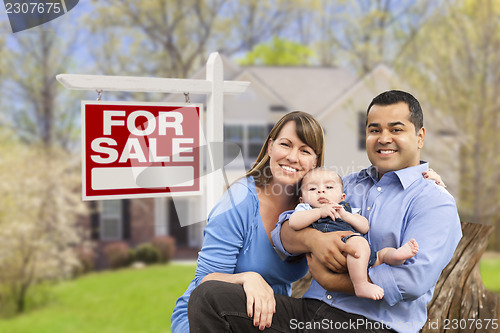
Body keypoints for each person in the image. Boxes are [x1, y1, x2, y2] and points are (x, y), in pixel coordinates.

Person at [187, 90, 462, 333]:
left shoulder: (434, 201)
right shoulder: (344, 185)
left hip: (370, 325)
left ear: (420, 136)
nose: (383, 138)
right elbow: (282, 232)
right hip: (308, 315)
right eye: (375, 129)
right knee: (211, 298)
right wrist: (313, 240)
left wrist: (332, 279)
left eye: (396, 129)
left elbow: (411, 281)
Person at [171, 111, 339, 332]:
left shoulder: (312, 206)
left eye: (305, 151)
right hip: (210, 315)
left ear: (315, 161)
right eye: (286, 144)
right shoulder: (239, 200)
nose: (292, 157)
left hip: (268, 316)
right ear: (270, 147)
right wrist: (247, 278)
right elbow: (205, 280)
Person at [286, 167, 418, 300]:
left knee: (381, 254)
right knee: (358, 242)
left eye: (329, 187)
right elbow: (294, 222)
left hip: (360, 255)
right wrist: (319, 212)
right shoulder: (306, 209)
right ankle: (360, 284)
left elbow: (364, 227)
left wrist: (346, 215)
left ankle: (396, 256)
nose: (321, 191)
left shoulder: (344, 209)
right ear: (302, 199)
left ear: (342, 197)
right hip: (338, 251)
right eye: (312, 189)